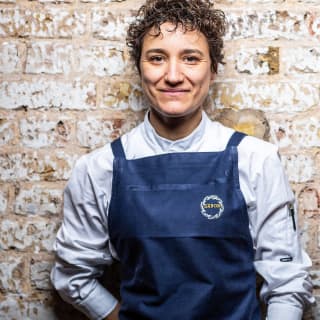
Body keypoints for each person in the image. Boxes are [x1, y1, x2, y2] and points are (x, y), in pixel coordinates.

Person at [50, 0, 314, 319]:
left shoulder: (256, 160)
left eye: (190, 58)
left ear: (212, 69)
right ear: (140, 68)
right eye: (157, 58)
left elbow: (288, 283)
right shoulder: (99, 169)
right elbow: (72, 277)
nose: (173, 75)